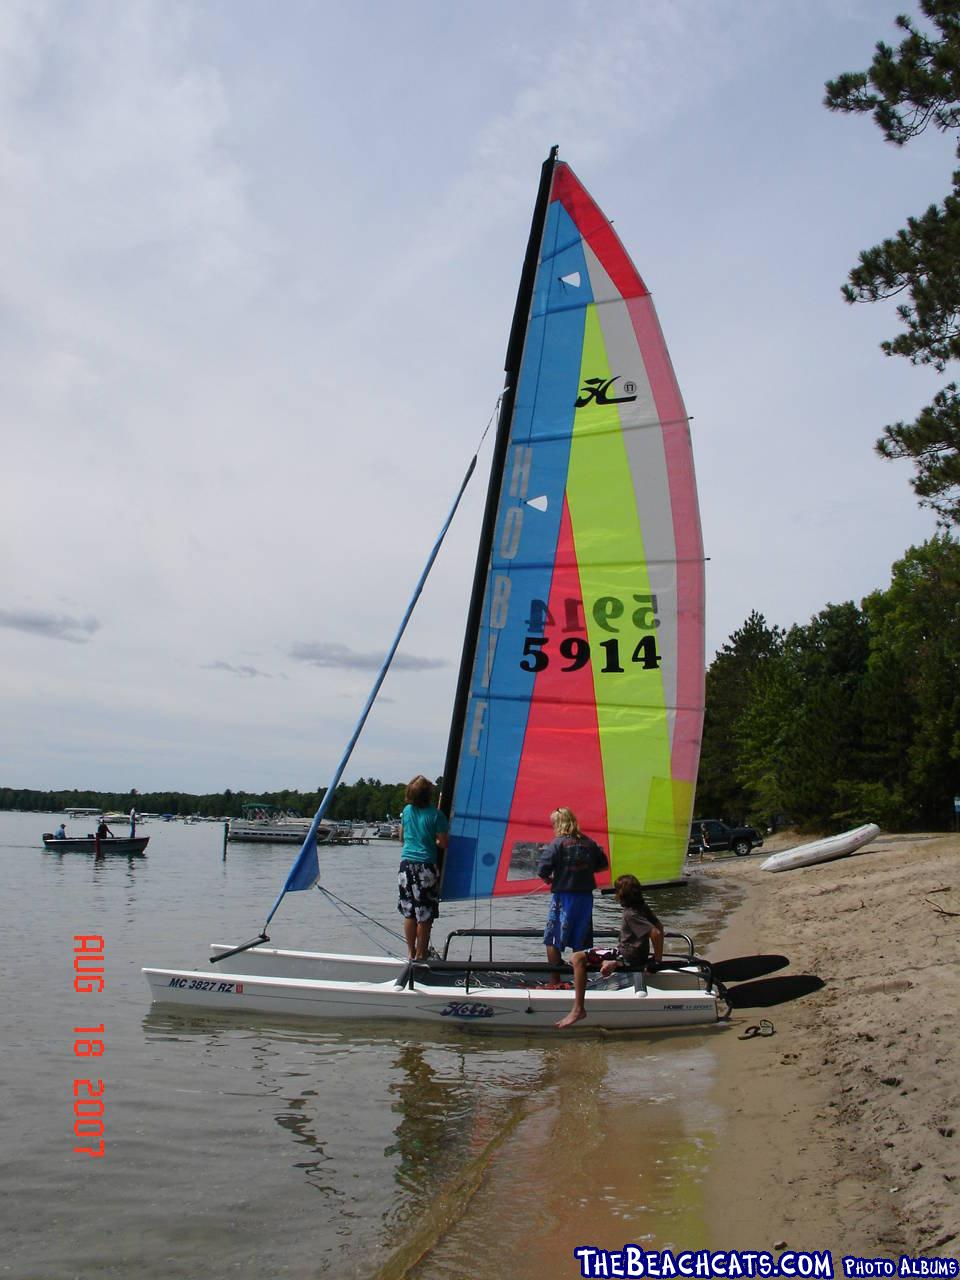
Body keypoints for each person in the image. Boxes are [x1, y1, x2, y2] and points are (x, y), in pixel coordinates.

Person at [556, 874, 664, 1029]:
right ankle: (612, 963)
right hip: (633, 955)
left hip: (626, 954)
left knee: (577, 957)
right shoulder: (641, 907)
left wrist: (657, 961)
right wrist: (654, 957)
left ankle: (578, 1009)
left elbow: (656, 933)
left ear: (621, 894)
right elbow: (659, 926)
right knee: (598, 953)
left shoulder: (630, 914)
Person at [538, 807, 608, 983]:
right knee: (581, 939)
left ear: (558, 824)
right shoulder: (589, 843)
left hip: (564, 896)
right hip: (585, 898)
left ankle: (555, 980)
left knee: (553, 937)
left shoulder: (556, 844)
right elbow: (603, 864)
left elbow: (542, 869)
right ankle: (580, 982)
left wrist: (548, 879)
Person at [398, 775, 448, 961]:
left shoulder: (407, 811)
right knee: (424, 916)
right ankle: (421, 955)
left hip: (405, 866)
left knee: (409, 912)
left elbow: (402, 838)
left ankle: (411, 953)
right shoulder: (436, 815)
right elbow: (443, 843)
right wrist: (433, 839)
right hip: (425, 868)